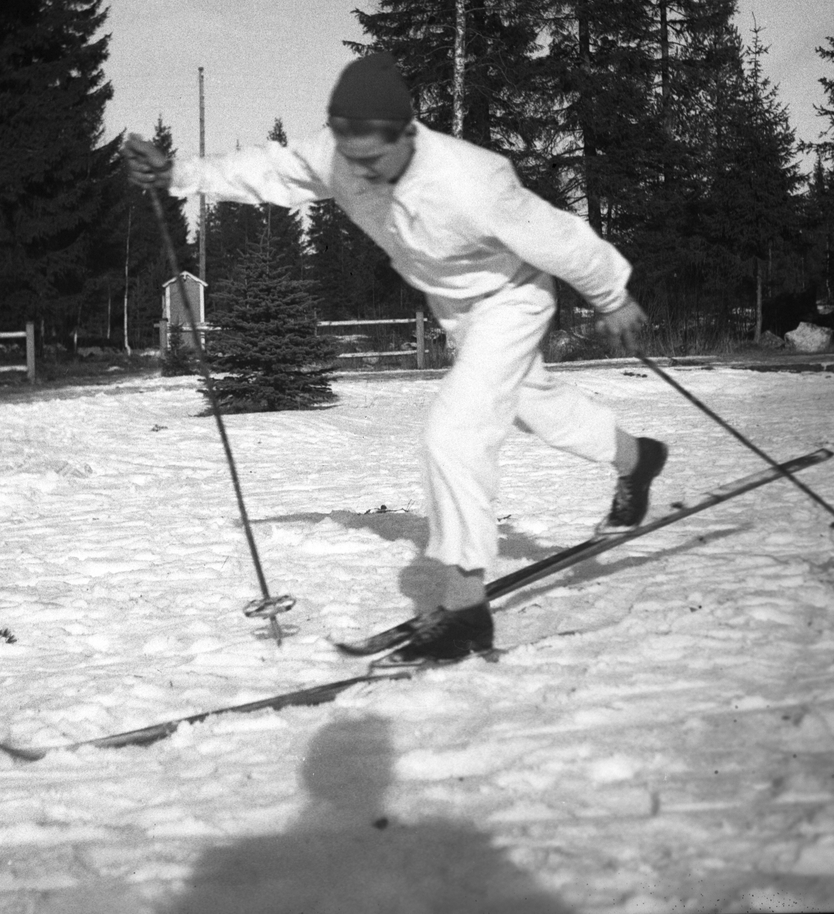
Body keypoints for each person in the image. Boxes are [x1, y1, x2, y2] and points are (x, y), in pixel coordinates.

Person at [122, 52, 667, 664]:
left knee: (453, 436)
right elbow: (269, 171)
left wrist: (611, 296)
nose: (361, 174)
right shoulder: (340, 154)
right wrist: (177, 173)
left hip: (512, 299)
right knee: (532, 407)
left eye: (374, 159)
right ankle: (638, 458)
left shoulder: (472, 180)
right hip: (455, 306)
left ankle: (465, 611)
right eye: (349, 159)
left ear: (408, 134)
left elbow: (560, 237)